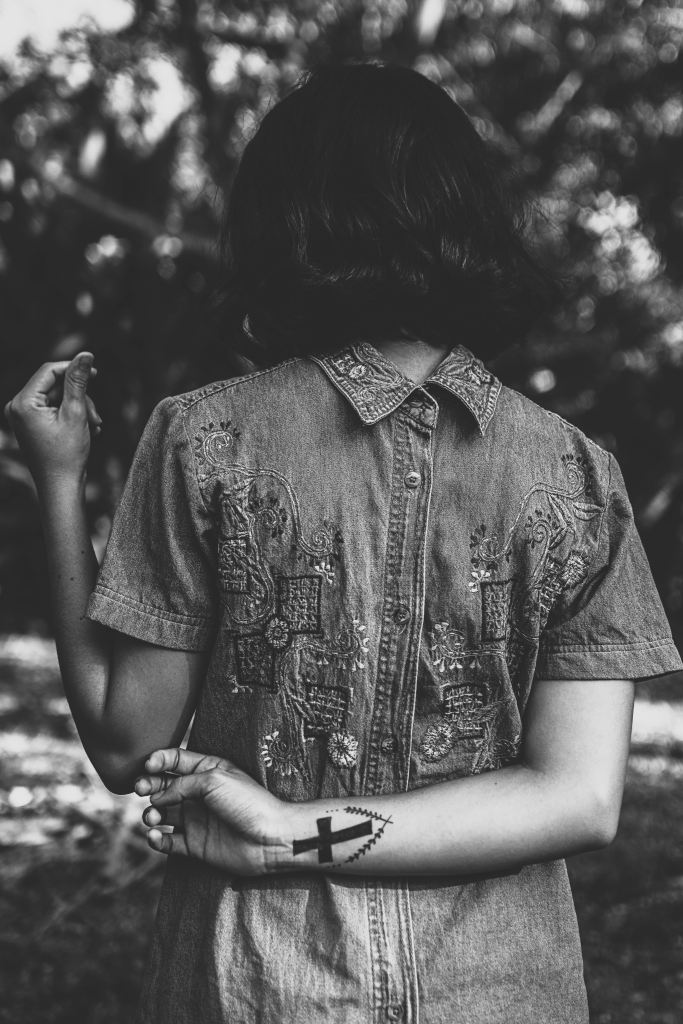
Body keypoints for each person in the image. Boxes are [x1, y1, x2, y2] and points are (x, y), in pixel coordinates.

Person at [5, 62, 681, 1024]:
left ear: (282, 225)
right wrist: (290, 831)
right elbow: (579, 798)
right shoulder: (578, 475)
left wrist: (60, 481)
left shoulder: (205, 439)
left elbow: (126, 746)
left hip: (257, 978)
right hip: (501, 986)